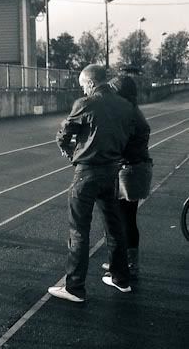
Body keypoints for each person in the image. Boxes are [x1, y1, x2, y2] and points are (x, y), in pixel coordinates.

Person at [48, 64, 136, 303]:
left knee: (79, 230)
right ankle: (121, 278)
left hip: (87, 173)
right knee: (114, 226)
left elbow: (63, 135)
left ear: (90, 82)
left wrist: (70, 153)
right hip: (112, 172)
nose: (83, 90)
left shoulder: (85, 103)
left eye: (82, 86)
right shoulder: (125, 106)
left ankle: (75, 287)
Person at [101, 75, 153, 278]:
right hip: (135, 168)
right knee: (125, 217)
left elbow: (120, 142)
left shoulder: (128, 115)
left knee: (125, 218)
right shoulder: (132, 112)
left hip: (130, 170)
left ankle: (129, 265)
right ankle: (124, 260)